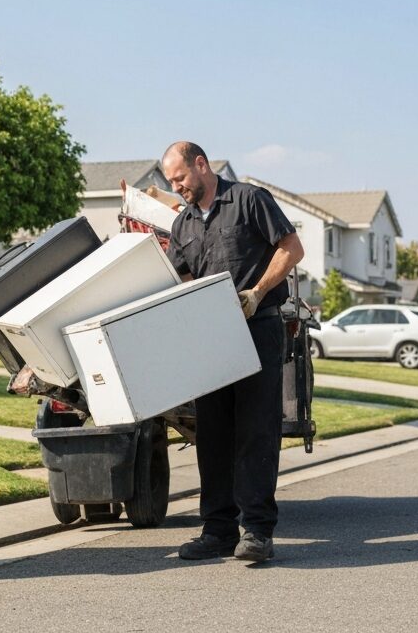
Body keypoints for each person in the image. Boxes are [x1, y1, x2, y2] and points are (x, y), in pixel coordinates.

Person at [160, 141, 304, 563]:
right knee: (213, 434)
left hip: (258, 326)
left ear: (201, 165)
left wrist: (257, 293)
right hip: (212, 336)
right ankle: (218, 530)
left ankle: (257, 531)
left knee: (256, 429)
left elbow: (291, 248)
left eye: (180, 178)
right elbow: (181, 278)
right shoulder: (183, 224)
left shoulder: (248, 200)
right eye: (170, 182)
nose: (176, 187)